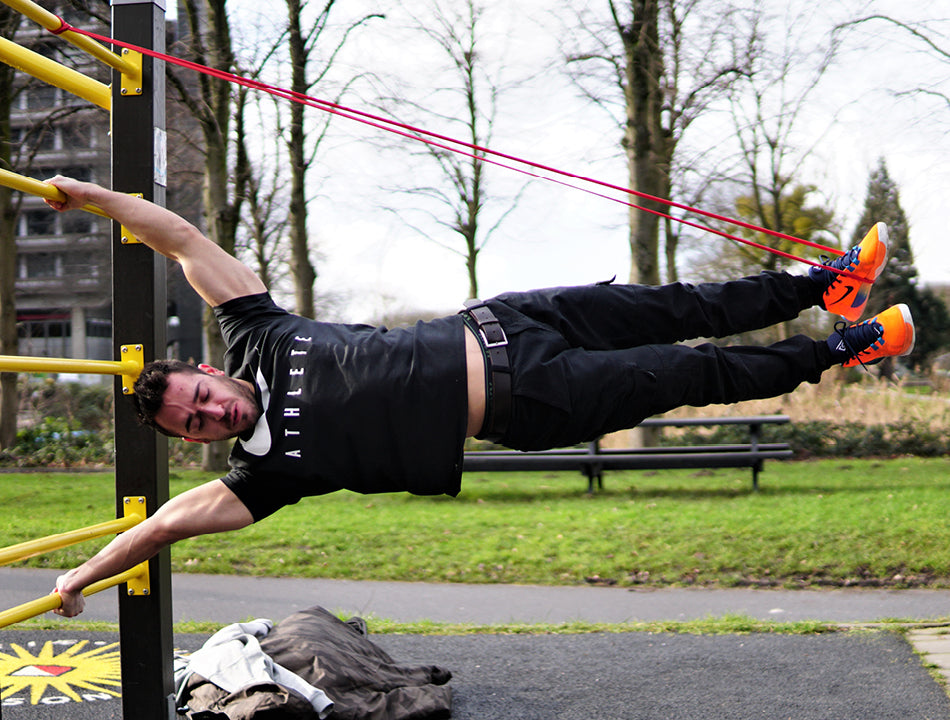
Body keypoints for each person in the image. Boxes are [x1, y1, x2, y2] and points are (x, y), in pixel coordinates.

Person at [42, 176, 915, 617]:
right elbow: (158, 529)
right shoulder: (265, 472)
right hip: (532, 402)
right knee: (693, 370)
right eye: (193, 424)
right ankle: (848, 346)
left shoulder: (259, 333)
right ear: (195, 439)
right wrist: (82, 576)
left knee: (674, 303)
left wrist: (91, 199)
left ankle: (823, 284)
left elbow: (182, 235)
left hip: (509, 321)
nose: (212, 413)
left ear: (210, 369)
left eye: (202, 395)